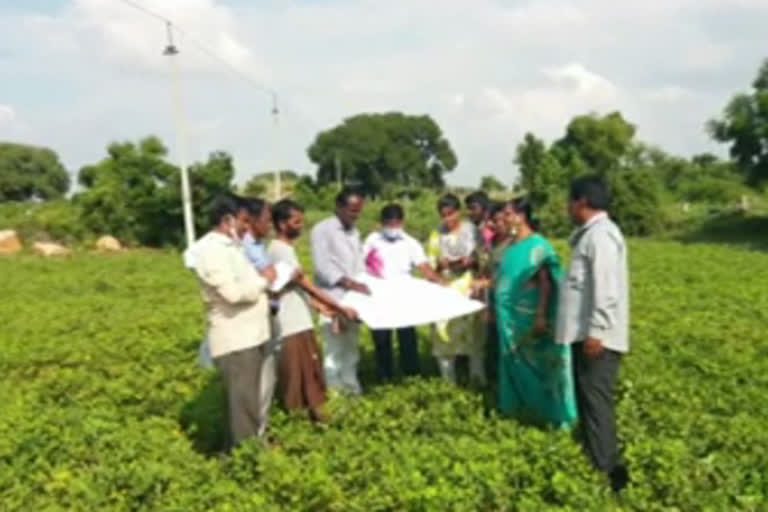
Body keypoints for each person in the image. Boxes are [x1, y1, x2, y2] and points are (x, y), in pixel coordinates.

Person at [556, 175, 630, 492]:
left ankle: (609, 470)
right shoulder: (588, 235)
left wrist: (597, 331)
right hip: (585, 334)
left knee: (597, 401)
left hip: (597, 337)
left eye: (569, 201)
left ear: (581, 202)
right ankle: (595, 457)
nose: (567, 207)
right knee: (588, 398)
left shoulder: (601, 236)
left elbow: (607, 289)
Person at [191, 194, 276, 447]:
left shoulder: (232, 248)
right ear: (228, 219)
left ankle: (246, 453)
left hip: (251, 335)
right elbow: (234, 293)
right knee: (242, 406)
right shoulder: (211, 251)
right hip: (236, 340)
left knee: (248, 402)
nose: (246, 227)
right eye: (243, 220)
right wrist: (265, 281)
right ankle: (244, 460)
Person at [268, 199, 357, 420]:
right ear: (281, 224)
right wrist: (337, 306)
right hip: (291, 323)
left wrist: (316, 305)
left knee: (308, 369)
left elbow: (294, 287)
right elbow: (304, 283)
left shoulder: (285, 249)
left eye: (301, 221)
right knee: (299, 371)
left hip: (299, 319)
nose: (300, 226)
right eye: (295, 221)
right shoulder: (280, 250)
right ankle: (301, 419)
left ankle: (311, 417)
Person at [494, 198, 577, 428]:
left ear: (521, 217)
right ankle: (522, 410)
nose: (505, 219)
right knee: (515, 362)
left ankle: (554, 415)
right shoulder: (511, 246)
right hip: (509, 318)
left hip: (531, 315)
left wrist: (541, 315)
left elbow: (546, 282)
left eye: (509, 214)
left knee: (542, 365)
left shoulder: (538, 245)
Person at [362, 204, 444, 382]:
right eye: (389, 224)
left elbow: (423, 267)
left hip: (403, 295)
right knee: (382, 337)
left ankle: (411, 373)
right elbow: (362, 264)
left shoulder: (410, 242)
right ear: (381, 223)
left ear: (402, 222)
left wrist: (441, 283)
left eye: (396, 223)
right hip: (380, 294)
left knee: (407, 336)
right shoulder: (372, 240)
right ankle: (385, 375)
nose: (392, 228)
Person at [310, 187, 370, 395]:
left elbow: (358, 265)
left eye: (358, 211)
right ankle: (335, 393)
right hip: (331, 299)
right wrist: (350, 283)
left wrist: (363, 285)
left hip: (353, 300)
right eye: (352, 210)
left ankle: (352, 389)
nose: (355, 215)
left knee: (351, 348)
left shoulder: (354, 232)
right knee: (333, 349)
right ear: (338, 208)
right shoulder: (322, 230)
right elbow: (322, 267)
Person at [427, 194, 485, 384]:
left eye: (451, 214)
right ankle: (448, 382)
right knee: (444, 335)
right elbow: (429, 266)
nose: (448, 220)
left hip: (469, 288)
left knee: (473, 337)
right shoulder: (436, 235)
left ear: (459, 212)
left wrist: (472, 262)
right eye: (443, 216)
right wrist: (440, 266)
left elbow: (484, 260)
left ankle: (477, 380)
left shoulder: (473, 232)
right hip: (445, 289)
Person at [473, 201, 515, 382]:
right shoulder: (493, 245)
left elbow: (511, 277)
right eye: (494, 220)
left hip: (512, 306)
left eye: (501, 219)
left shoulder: (514, 245)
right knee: (493, 344)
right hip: (495, 303)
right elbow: (488, 272)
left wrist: (486, 283)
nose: (498, 224)